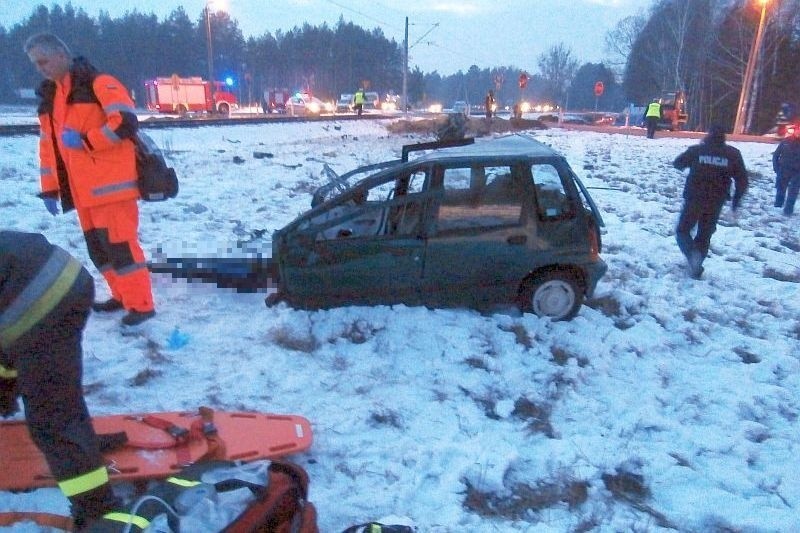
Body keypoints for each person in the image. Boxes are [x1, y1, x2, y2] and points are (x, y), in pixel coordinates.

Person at [24, 32, 155, 326]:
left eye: (43, 61)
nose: (40, 68)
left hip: (112, 188)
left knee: (121, 248)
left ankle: (142, 304)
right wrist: (49, 189)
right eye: (36, 64)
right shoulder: (51, 97)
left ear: (61, 55)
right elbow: (50, 148)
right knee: (100, 251)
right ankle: (122, 296)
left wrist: (86, 141)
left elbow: (125, 123)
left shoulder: (98, 83)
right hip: (83, 193)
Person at [1, 230, 120, 529]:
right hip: (61, 274)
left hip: (35, 297)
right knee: (45, 378)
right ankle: (80, 443)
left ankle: (98, 513)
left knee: (51, 418)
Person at [673, 124, 748, 279]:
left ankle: (692, 254)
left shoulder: (697, 150)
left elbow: (678, 163)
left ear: (708, 136)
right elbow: (742, 180)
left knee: (683, 230)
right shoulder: (733, 154)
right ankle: (697, 262)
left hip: (694, 198)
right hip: (716, 201)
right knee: (704, 234)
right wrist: (735, 201)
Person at [772, 125, 800, 216]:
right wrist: (776, 167)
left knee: (793, 191)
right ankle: (777, 207)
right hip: (783, 170)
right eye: (798, 130)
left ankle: (788, 211)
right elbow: (776, 155)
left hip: (797, 172)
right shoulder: (786, 141)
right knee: (780, 189)